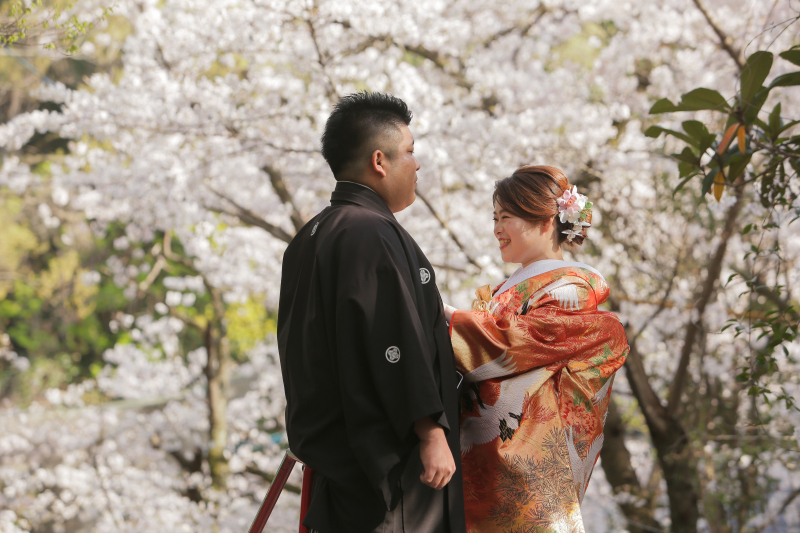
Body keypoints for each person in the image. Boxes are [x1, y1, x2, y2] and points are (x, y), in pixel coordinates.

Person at [278, 92, 466, 533]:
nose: (417, 165)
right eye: (411, 152)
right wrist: (430, 431)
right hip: (387, 467)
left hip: (340, 460)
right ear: (379, 161)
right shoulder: (368, 232)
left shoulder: (310, 235)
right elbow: (393, 339)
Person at [442, 165, 629, 532]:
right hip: (476, 454)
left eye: (506, 217)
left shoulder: (569, 289)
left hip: (529, 464)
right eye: (494, 217)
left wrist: (447, 316)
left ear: (546, 221)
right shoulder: (504, 290)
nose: (496, 228)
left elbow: (512, 344)